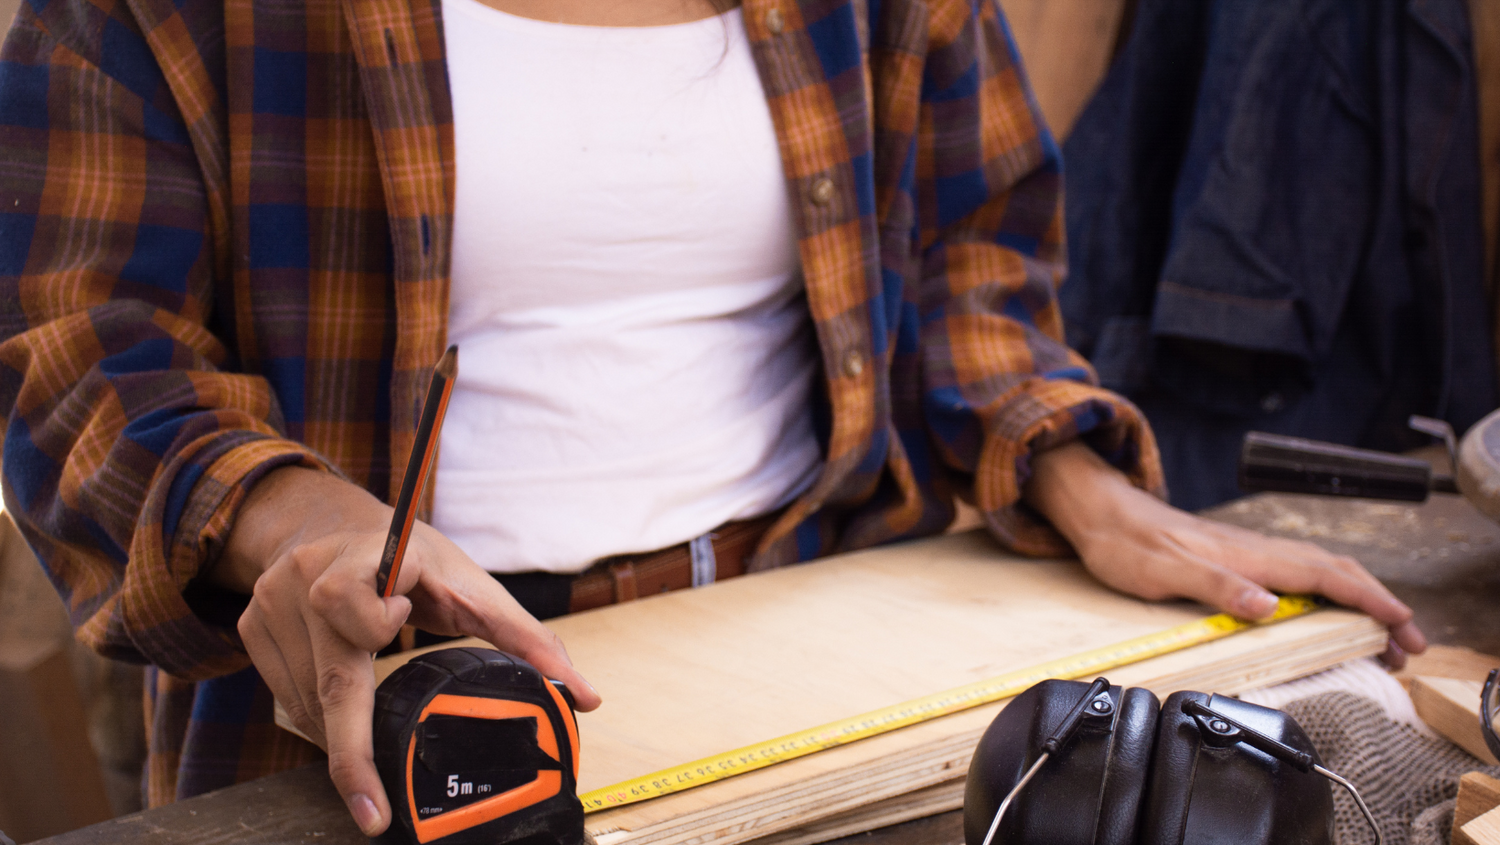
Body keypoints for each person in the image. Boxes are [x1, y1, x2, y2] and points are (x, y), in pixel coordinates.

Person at [0, 0, 1422, 836]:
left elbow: (969, 245)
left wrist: (1064, 465)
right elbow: (72, 346)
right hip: (412, 702)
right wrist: (289, 515)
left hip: (830, 646)